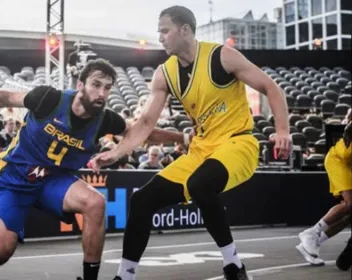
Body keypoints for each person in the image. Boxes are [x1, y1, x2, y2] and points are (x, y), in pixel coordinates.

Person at [89, 6, 292, 280]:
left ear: (184, 30)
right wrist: (117, 152)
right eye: (159, 31)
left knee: (199, 184)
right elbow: (145, 124)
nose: (159, 37)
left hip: (237, 144)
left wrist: (282, 130)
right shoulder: (164, 73)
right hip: (201, 151)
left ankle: (234, 265)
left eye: (164, 30)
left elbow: (271, 88)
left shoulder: (221, 56)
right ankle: (125, 276)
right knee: (141, 200)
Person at [0, 59, 188, 280]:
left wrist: (184, 137)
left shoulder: (104, 120)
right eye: (96, 85)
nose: (102, 93)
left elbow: (141, 131)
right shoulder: (48, 98)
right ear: (80, 85)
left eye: (107, 88)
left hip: (53, 180)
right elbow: (6, 96)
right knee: (1, 252)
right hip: (15, 178)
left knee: (95, 203)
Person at [296, 113, 352, 268]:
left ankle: (313, 242)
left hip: (348, 163)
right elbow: (349, 122)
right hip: (337, 160)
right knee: (349, 204)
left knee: (349, 215)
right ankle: (311, 234)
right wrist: (348, 128)